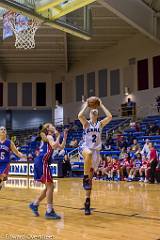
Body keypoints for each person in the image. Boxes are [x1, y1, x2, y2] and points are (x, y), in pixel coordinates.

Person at [78, 98, 112, 215]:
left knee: (90, 180)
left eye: (95, 110)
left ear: (97, 114)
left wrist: (101, 105)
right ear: (90, 114)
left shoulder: (100, 124)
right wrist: (87, 106)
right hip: (85, 148)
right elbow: (79, 115)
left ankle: (87, 202)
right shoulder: (86, 123)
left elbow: (110, 116)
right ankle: (84, 177)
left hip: (96, 152)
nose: (94, 111)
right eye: (92, 111)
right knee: (88, 153)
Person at [29, 123, 68, 220]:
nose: (53, 126)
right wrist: (58, 136)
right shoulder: (49, 136)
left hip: (42, 162)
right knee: (50, 186)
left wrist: (65, 137)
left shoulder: (49, 137)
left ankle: (35, 204)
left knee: (49, 186)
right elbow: (54, 146)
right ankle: (49, 211)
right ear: (48, 129)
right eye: (51, 125)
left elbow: (61, 147)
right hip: (42, 162)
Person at [0, 126, 26, 191]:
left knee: (1, 176)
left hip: (5, 163)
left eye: (4, 129)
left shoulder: (9, 142)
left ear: (6, 132)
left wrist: (23, 156)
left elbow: (16, 152)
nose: (3, 130)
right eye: (1, 129)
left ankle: (3, 178)